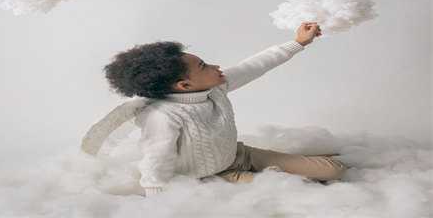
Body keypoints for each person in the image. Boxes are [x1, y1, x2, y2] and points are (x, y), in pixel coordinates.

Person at [83, 22, 347, 197]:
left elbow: (256, 65)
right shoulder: (162, 116)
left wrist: (298, 42)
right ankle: (280, 173)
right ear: (184, 85)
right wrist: (159, 200)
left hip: (239, 156)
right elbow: (156, 161)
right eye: (204, 66)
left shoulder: (216, 87)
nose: (216, 67)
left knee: (334, 170)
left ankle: (295, 165)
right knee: (295, 190)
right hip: (211, 176)